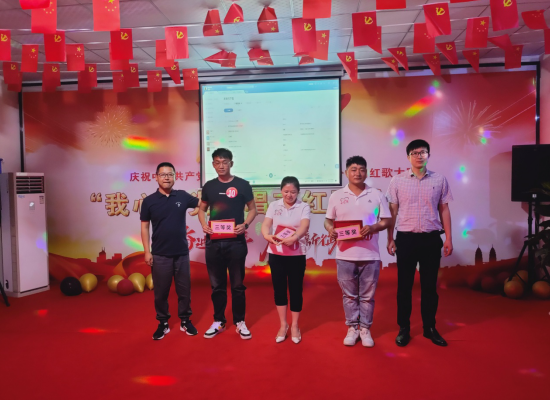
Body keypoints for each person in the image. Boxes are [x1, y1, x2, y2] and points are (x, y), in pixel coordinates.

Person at [386, 139, 453, 347]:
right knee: (404, 287)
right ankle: (404, 328)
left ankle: (429, 328)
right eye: (415, 153)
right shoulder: (397, 181)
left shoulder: (439, 179)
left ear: (428, 155)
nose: (419, 156)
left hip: (431, 239)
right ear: (408, 157)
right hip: (406, 239)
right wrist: (390, 238)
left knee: (430, 287)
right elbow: (392, 212)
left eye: (423, 152)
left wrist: (449, 238)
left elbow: (444, 209)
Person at [325, 156, 391, 347]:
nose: (358, 173)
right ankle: (352, 327)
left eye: (361, 169)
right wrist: (330, 229)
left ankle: (365, 328)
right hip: (344, 255)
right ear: (346, 172)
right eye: (353, 169)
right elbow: (328, 220)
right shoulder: (336, 196)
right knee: (349, 296)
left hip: (370, 255)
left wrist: (373, 227)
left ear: (366, 172)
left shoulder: (376, 195)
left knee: (367, 296)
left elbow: (387, 220)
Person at [198, 148, 257, 339]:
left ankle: (240, 321)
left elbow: (253, 209)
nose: (221, 166)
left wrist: (245, 224)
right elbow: (202, 209)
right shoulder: (209, 186)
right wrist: (203, 224)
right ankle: (218, 321)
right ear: (213, 164)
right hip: (213, 243)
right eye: (217, 162)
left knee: (238, 285)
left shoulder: (242, 185)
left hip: (236, 243)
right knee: (217, 285)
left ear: (231, 163)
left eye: (224, 162)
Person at [140, 162, 200, 340]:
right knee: (161, 292)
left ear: (174, 176)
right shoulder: (149, 201)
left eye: (170, 174)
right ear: (156, 177)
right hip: (159, 254)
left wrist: (197, 209)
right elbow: (144, 227)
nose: (166, 177)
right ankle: (163, 323)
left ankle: (185, 320)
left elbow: (202, 204)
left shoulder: (182, 196)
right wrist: (147, 251)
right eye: (163, 174)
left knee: (184, 290)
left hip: (181, 253)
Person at [261, 177, 310, 344]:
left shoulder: (303, 206)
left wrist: (295, 237)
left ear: (298, 192)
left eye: (293, 192)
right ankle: (283, 325)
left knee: (296, 290)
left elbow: (304, 226)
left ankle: (295, 325)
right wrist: (267, 235)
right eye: (286, 191)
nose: (289, 195)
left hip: (297, 254)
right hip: (277, 253)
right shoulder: (274, 205)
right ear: (281, 191)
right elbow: (266, 224)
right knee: (279, 289)